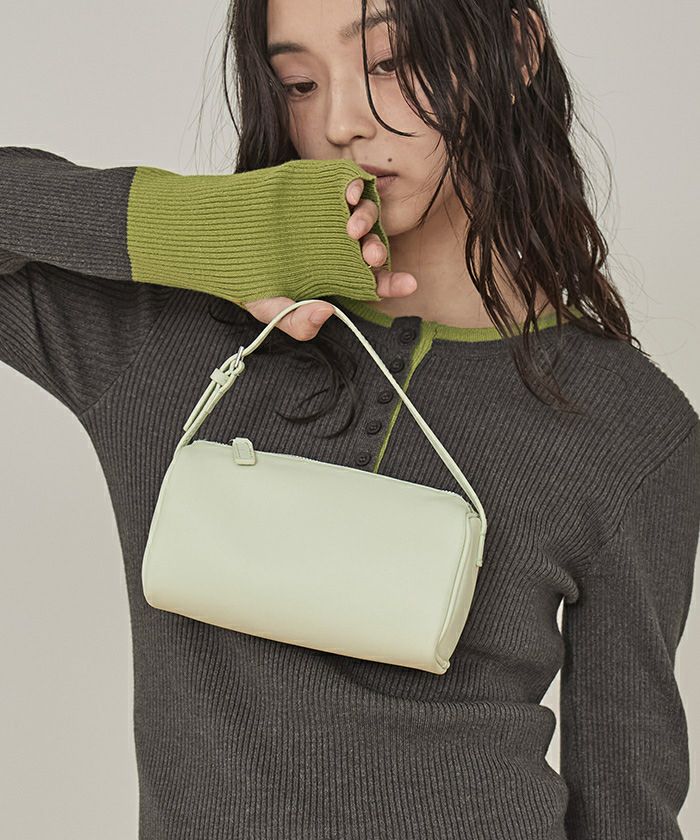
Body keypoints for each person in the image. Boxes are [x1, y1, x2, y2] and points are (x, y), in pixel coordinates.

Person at [1, 0, 698, 838]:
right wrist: (188, 225)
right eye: (298, 82)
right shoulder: (164, 336)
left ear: (515, 49)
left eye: (389, 64)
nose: (340, 122)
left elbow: (628, 809)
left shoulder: (629, 422)